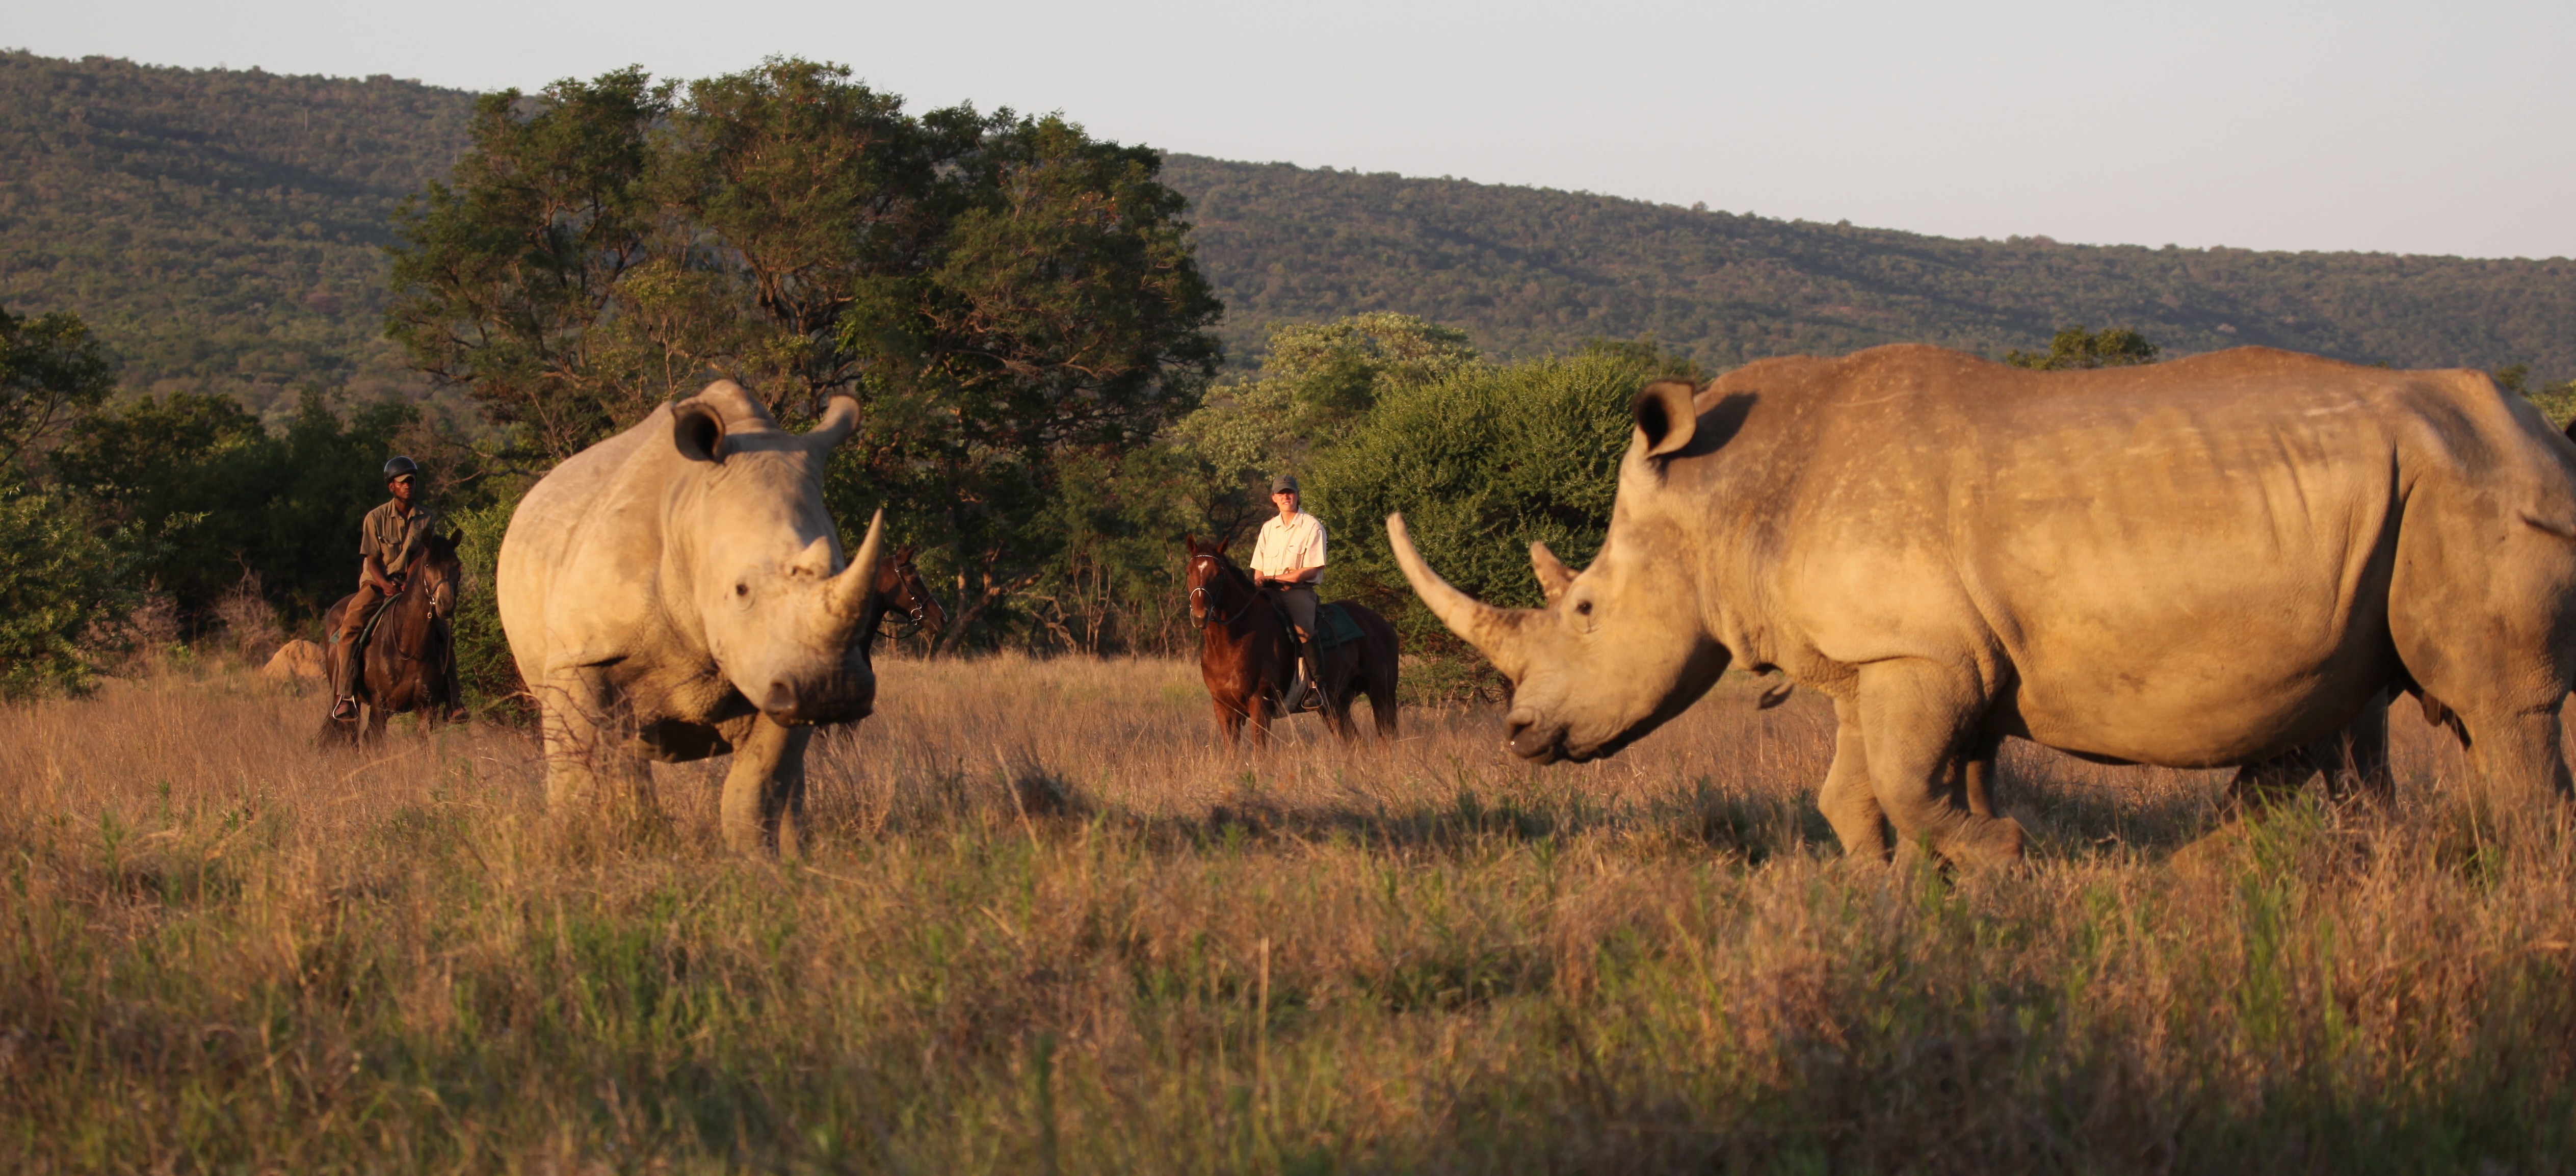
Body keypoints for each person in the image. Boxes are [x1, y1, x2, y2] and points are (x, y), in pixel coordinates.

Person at [331, 456, 448, 720]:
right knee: (350, 626)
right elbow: (371, 559)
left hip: (412, 584)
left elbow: (421, 555)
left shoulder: (426, 517)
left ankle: (454, 698)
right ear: (391, 487)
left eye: (412, 481)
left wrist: (409, 581)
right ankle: (346, 696)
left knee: (442, 629)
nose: (409, 486)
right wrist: (384, 584)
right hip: (376, 583)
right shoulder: (375, 518)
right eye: (403, 482)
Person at [1250, 474, 1328, 711]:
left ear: (1297, 495)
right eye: (1281, 493)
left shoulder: (1312, 526)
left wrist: (1277, 578)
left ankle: (1317, 686)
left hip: (1297, 591)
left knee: (1304, 628)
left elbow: (1312, 568)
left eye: (1290, 492)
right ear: (1274, 498)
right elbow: (1258, 569)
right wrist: (1263, 581)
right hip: (1267, 591)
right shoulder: (1268, 529)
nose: (1286, 497)